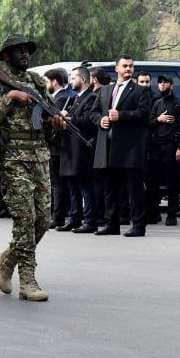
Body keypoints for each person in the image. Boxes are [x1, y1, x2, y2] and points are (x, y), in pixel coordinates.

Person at [0, 35, 63, 300]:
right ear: (6, 55)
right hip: (14, 156)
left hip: (39, 155)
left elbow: (48, 113)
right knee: (25, 218)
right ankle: (27, 280)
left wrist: (57, 123)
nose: (24, 55)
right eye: (18, 51)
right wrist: (11, 97)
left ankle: (7, 260)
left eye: (26, 51)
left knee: (43, 219)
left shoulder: (37, 82)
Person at [90, 55, 152, 237]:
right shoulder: (105, 91)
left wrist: (121, 115)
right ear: (116, 68)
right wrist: (100, 120)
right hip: (108, 146)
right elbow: (92, 112)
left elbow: (144, 114)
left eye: (131, 66)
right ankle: (112, 224)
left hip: (130, 147)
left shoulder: (141, 91)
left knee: (134, 188)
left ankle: (139, 225)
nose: (128, 69)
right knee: (110, 187)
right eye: (124, 66)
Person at [63, 65, 100, 233]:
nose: (71, 81)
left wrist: (68, 117)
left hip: (82, 148)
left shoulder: (91, 98)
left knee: (85, 186)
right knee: (73, 186)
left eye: (73, 78)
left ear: (83, 80)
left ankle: (90, 220)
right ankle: (75, 218)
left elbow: (87, 120)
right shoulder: (75, 98)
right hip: (71, 148)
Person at [146, 75, 180, 226]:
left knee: (172, 182)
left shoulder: (179, 104)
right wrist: (159, 119)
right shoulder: (156, 104)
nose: (162, 85)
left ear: (172, 85)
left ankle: (171, 214)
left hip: (171, 146)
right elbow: (148, 123)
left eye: (165, 83)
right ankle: (153, 213)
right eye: (160, 83)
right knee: (153, 182)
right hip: (156, 146)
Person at [45, 68, 78, 231]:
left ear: (54, 81)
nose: (46, 85)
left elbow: (51, 120)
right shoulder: (59, 97)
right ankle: (56, 215)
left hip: (58, 146)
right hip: (56, 146)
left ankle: (57, 217)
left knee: (58, 183)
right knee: (56, 183)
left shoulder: (62, 98)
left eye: (46, 81)